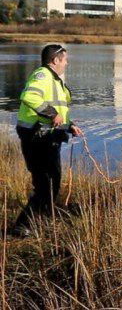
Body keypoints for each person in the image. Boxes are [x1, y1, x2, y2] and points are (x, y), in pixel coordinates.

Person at [11, 44, 84, 237]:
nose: (67, 63)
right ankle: (22, 227)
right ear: (55, 60)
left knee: (52, 183)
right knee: (46, 184)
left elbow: (60, 112)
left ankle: (39, 221)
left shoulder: (54, 80)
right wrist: (52, 114)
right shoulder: (42, 75)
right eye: (65, 59)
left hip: (47, 138)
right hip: (37, 138)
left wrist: (70, 125)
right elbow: (29, 96)